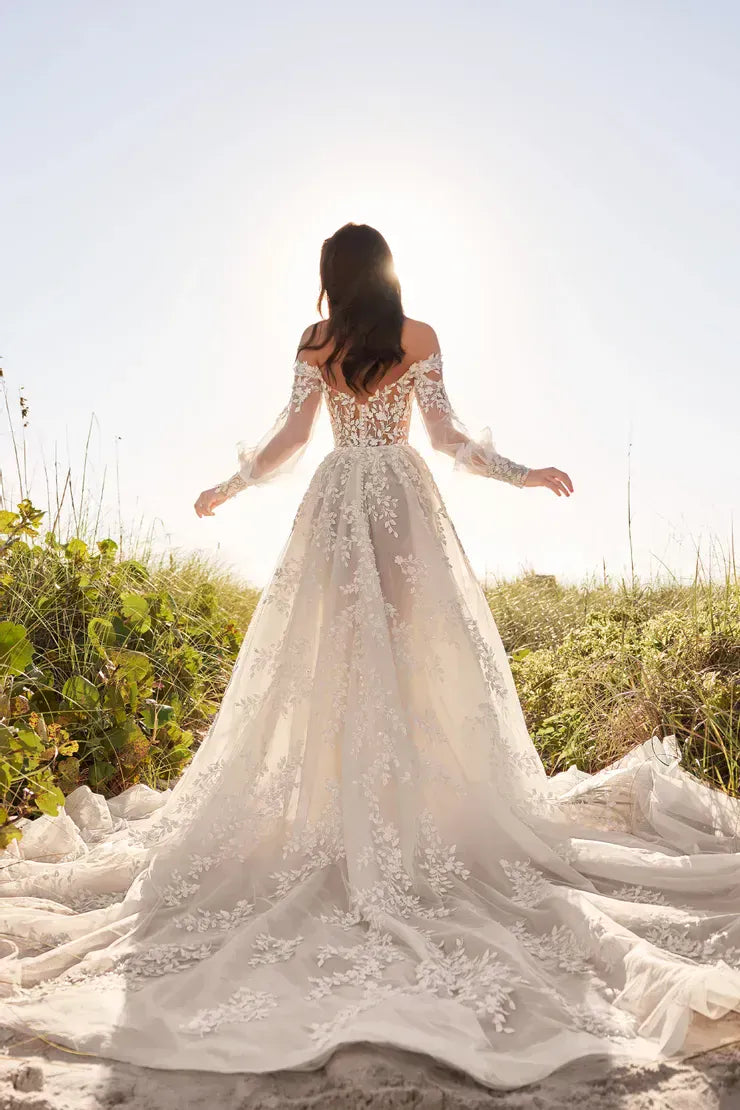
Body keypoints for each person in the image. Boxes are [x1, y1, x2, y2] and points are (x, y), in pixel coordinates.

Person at [0, 223, 738, 1091]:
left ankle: (383, 812)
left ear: (332, 278)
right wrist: (520, 472)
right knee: (392, 664)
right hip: (397, 503)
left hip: (345, 503)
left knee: (360, 668)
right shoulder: (408, 337)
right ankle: (382, 812)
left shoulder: (320, 341)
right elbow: (448, 439)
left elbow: (292, 442)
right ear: (386, 274)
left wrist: (232, 486)